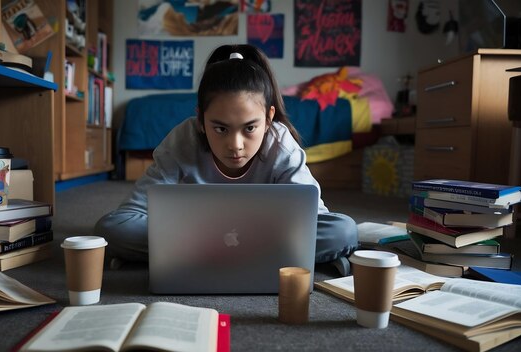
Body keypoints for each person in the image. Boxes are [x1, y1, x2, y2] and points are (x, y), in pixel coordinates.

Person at [94, 44, 358, 275]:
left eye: (249, 128)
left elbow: (316, 218)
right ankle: (254, 256)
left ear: (268, 119)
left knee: (343, 231)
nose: (235, 145)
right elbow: (128, 216)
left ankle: (201, 256)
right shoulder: (181, 140)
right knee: (111, 229)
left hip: (197, 245)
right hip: (221, 240)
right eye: (220, 128)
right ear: (200, 121)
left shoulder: (282, 146)